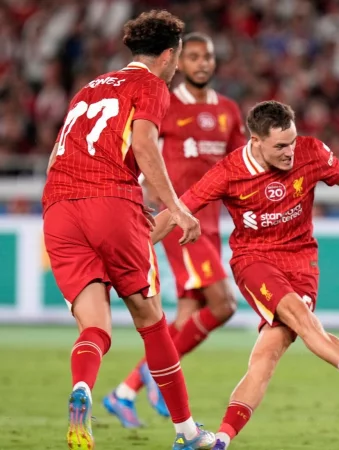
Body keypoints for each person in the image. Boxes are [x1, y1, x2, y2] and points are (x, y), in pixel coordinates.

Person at [149, 101, 339, 449]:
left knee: (265, 357)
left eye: (292, 141)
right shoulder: (229, 171)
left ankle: (221, 440)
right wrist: (135, 247)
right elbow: (177, 210)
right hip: (254, 260)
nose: (290, 152)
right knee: (302, 320)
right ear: (255, 141)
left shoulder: (311, 151)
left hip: (302, 262)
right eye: (280, 146)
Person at [41, 10, 216, 450]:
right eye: (177, 58)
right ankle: (187, 433)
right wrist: (175, 208)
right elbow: (141, 145)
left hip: (58, 206)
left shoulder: (90, 87)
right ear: (167, 56)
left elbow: (54, 158)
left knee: (94, 325)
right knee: (152, 321)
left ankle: (82, 389)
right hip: (110, 202)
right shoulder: (152, 85)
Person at [104, 32, 246, 428]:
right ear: (180, 62)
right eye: (195, 56)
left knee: (187, 315)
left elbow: (238, 165)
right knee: (223, 305)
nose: (202, 63)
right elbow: (139, 149)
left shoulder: (230, 111)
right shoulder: (165, 103)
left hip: (212, 223)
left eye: (209, 57)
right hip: (180, 220)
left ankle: (125, 391)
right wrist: (148, 198)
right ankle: (153, 375)